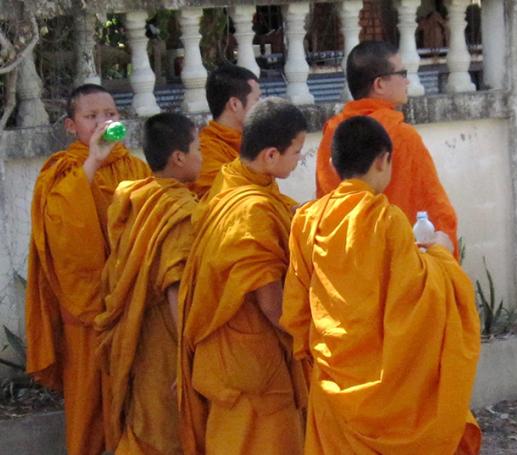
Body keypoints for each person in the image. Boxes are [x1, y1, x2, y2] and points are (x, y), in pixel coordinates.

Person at [281, 115, 481, 453]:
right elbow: (419, 298)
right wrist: (441, 256)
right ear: (383, 160)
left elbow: (297, 309)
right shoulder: (387, 221)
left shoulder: (306, 221)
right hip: (386, 387)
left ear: (332, 164)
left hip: (333, 378)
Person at [24, 84, 151, 455]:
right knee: (89, 408)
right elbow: (64, 240)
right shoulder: (60, 173)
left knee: (136, 405)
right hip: (85, 312)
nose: (103, 121)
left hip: (131, 304)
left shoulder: (135, 166)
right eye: (91, 116)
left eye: (110, 113)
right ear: (70, 126)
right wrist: (92, 162)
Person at [177, 98, 307, 455]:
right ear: (270, 155)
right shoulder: (252, 210)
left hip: (225, 351)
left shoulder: (229, 179)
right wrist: (316, 334)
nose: (299, 161)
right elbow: (271, 306)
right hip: (253, 358)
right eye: (296, 152)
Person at [94, 113, 200, 454]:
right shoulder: (177, 210)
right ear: (179, 157)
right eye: (198, 148)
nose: (203, 156)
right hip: (168, 340)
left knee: (143, 422)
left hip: (138, 332)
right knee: (166, 432)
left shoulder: (133, 198)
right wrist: (188, 361)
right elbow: (175, 288)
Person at [314, 41, 458, 250]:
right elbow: (433, 206)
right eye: (402, 73)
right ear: (379, 84)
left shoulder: (334, 132)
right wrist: (445, 244)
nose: (407, 81)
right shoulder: (401, 135)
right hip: (398, 257)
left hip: (348, 257)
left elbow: (326, 206)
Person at [192, 64, 261, 197]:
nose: (262, 106)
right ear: (235, 104)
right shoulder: (206, 151)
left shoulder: (253, 143)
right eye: (256, 100)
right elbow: (226, 202)